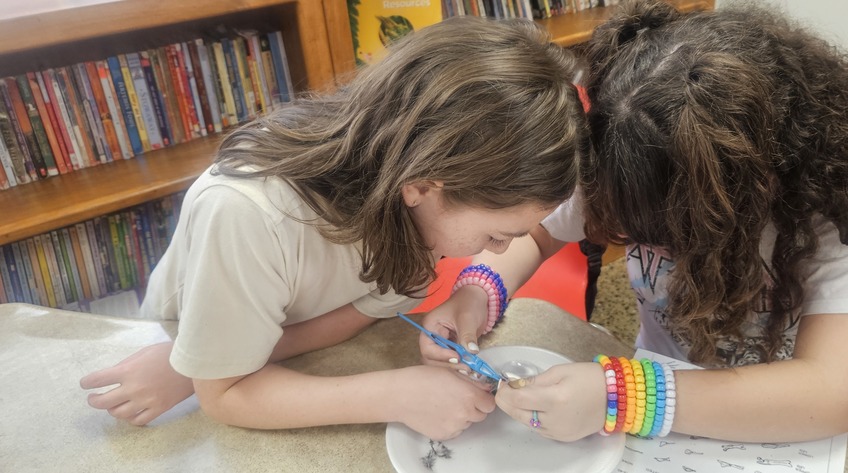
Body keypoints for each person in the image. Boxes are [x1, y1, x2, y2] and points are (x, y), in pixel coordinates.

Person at [417, 1, 848, 471]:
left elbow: (831, 393)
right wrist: (478, 291)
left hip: (824, 419)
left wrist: (622, 396)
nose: (654, 240)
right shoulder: (626, 160)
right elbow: (539, 232)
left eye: (675, 228)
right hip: (673, 393)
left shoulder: (835, 222)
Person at [78, 16, 589, 441]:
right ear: (424, 185)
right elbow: (227, 396)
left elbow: (356, 312)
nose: (497, 251)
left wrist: (200, 362)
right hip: (182, 352)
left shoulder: (412, 210)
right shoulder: (247, 213)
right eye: (494, 235)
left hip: (233, 351)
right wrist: (394, 394)